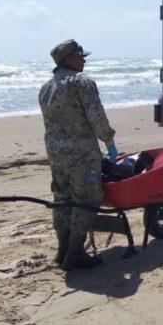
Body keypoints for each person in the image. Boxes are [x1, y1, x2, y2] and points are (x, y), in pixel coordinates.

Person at [38, 39, 119, 271]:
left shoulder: (46, 87)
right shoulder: (81, 82)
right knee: (86, 200)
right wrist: (109, 141)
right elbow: (97, 116)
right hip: (82, 155)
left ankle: (62, 250)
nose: (84, 61)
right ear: (70, 59)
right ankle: (75, 254)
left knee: (62, 200)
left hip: (56, 155)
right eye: (81, 57)